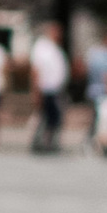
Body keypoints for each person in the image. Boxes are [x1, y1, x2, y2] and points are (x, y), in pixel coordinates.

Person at [27, 19, 68, 153]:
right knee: (46, 117)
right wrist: (36, 90)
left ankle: (48, 142)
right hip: (46, 88)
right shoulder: (42, 47)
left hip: (55, 89)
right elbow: (36, 70)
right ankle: (40, 142)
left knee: (53, 117)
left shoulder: (54, 47)